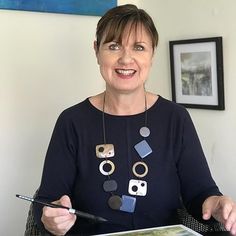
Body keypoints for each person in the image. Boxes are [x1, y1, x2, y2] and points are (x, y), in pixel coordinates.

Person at [33, 4, 236, 236]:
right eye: (114, 46)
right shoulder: (72, 121)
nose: (126, 58)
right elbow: (45, 202)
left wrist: (217, 204)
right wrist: (52, 218)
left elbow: (201, 194)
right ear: (97, 51)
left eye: (139, 47)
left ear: (152, 54)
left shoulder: (175, 118)